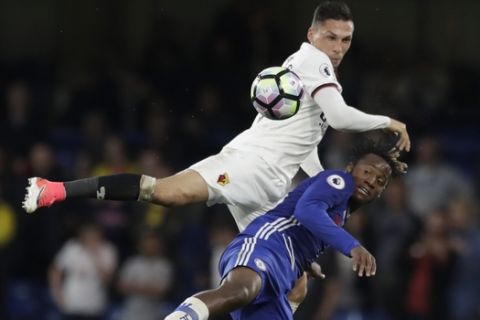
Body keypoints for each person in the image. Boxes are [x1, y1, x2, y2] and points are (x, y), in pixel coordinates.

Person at [22, 0, 409, 312]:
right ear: (312, 34)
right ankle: (54, 189)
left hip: (272, 185)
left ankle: (201, 311)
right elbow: (341, 117)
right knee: (166, 193)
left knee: (293, 287)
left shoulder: (315, 72)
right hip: (250, 165)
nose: (338, 48)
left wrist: (319, 205)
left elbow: (306, 150)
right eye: (331, 37)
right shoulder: (312, 60)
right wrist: (391, 121)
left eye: (345, 40)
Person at [163, 136, 407, 320]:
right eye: (367, 172)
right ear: (351, 168)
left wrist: (303, 259)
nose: (371, 181)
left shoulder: (342, 210)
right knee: (240, 290)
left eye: (380, 181)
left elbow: (306, 223)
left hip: (281, 273)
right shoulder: (339, 181)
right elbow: (306, 211)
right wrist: (353, 246)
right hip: (266, 245)